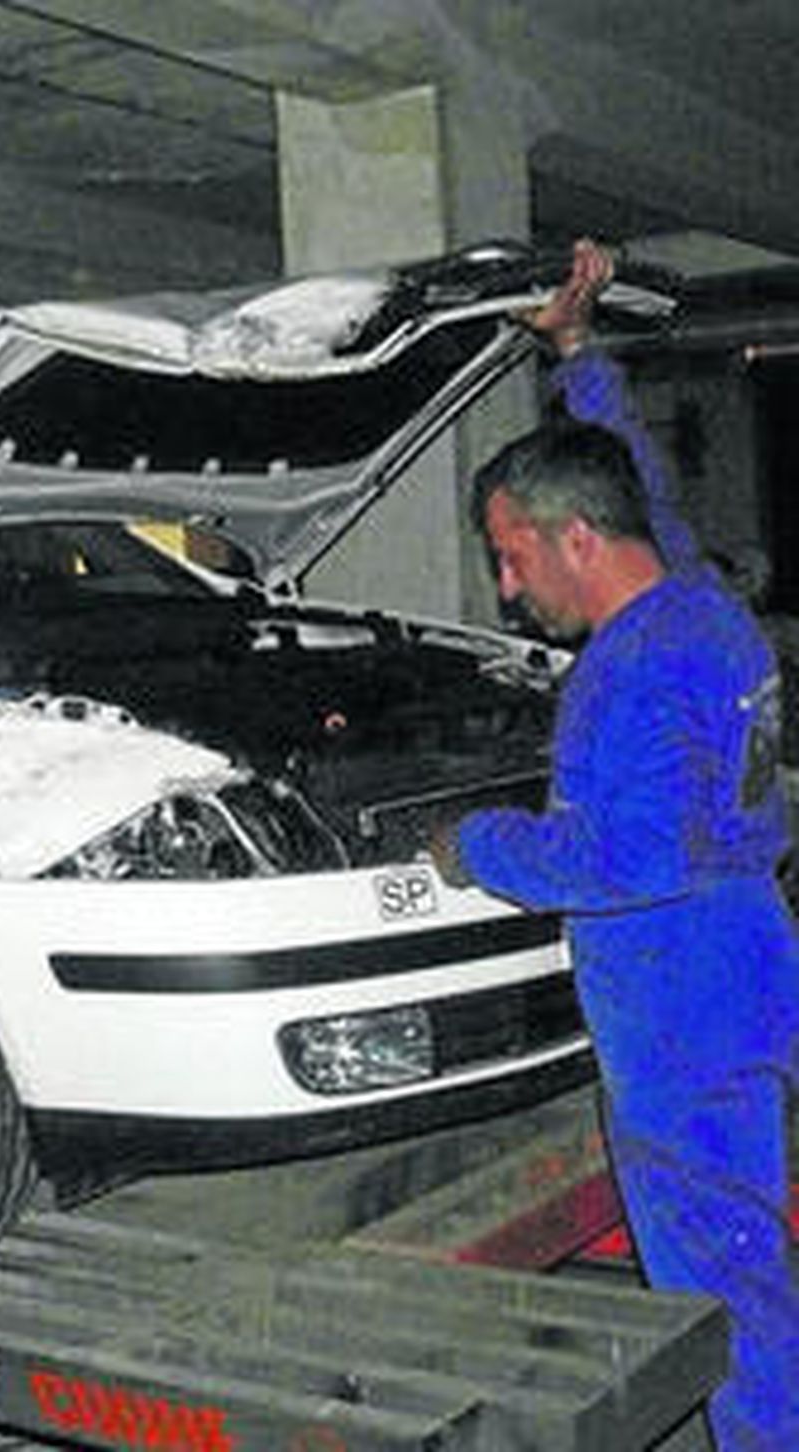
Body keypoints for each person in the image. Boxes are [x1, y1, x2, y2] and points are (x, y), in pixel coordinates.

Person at [431, 243, 799, 1452]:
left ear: (574, 542)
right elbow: (634, 482)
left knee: (715, 1266)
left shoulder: (627, 678)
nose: (504, 585)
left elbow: (625, 862)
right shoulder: (696, 598)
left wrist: (477, 845)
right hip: (751, 944)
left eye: (512, 556)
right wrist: (575, 353)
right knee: (749, 1223)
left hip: (676, 996)